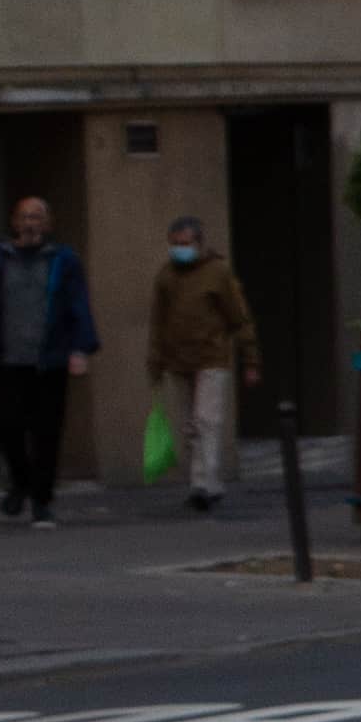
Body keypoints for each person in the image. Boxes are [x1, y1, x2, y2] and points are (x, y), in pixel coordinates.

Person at [0, 196, 96, 526]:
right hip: (7, 361)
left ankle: (41, 500)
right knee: (6, 428)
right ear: (14, 222)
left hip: (48, 361)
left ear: (48, 224)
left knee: (47, 433)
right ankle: (21, 483)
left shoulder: (63, 261)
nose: (30, 223)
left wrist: (80, 348)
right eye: (24, 217)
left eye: (37, 217)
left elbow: (78, 305)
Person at [148, 216, 257, 514]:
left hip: (211, 359)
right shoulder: (166, 277)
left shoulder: (217, 273)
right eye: (175, 244)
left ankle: (206, 483)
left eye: (186, 244)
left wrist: (251, 358)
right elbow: (158, 322)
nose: (180, 250)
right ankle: (201, 481)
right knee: (189, 426)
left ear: (198, 243)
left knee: (207, 421)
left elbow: (238, 317)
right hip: (177, 362)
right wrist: (155, 362)